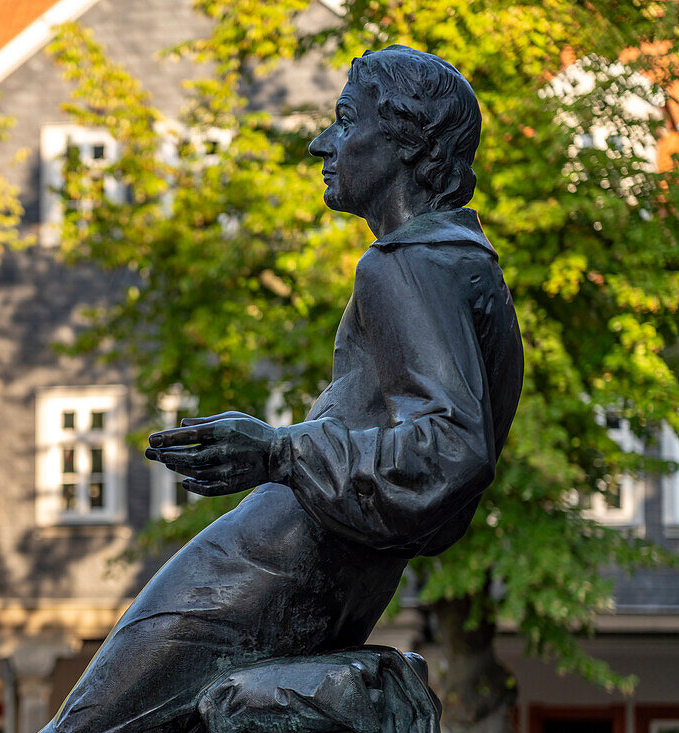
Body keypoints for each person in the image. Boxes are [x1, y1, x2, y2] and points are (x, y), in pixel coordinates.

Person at [41, 45, 523, 733]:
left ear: (405, 144)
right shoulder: (463, 264)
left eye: (345, 119)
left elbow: (452, 447)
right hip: (315, 569)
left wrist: (276, 452)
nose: (321, 141)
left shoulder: (407, 266)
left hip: (277, 565)